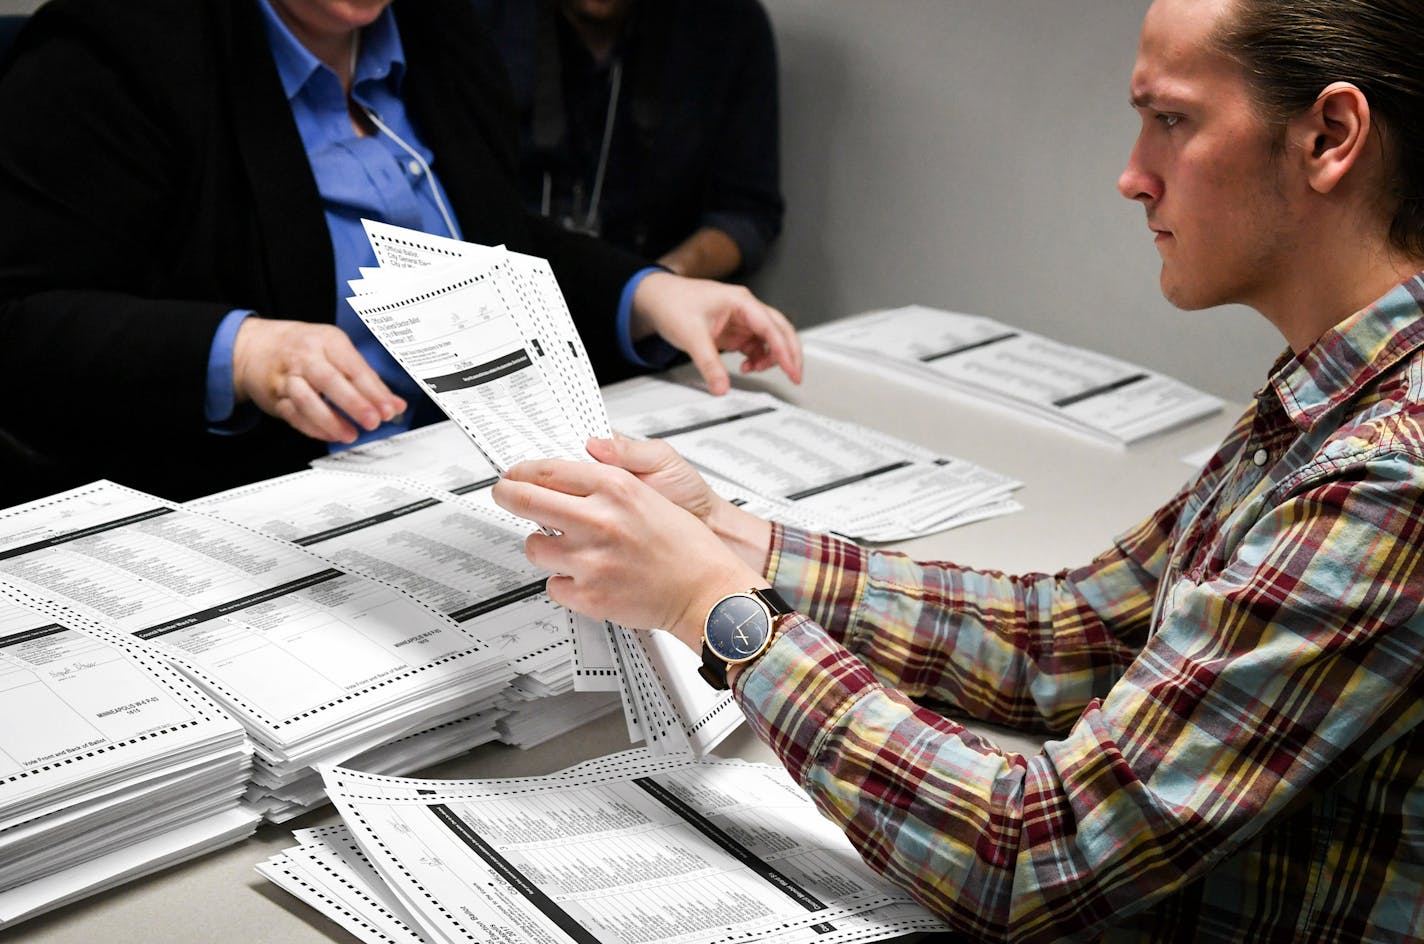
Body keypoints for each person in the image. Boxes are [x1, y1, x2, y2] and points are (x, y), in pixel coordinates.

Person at [492, 0, 1424, 939]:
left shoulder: (1389, 479)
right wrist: (730, 540)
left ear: (1329, 136)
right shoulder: (1343, 386)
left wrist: (722, 610)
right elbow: (1074, 634)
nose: (1133, 176)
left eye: (1172, 120)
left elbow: (1033, 853)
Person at [0, 0, 800, 506]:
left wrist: (649, 292)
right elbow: (22, 322)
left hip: (465, 477)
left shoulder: (443, 28)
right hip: (259, 507)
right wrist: (240, 351)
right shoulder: (111, 50)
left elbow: (496, 243)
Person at [476, 0, 783, 281]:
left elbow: (748, 212)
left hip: (652, 308)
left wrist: (657, 283)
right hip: (501, 293)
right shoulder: (477, 21)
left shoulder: (728, 27)